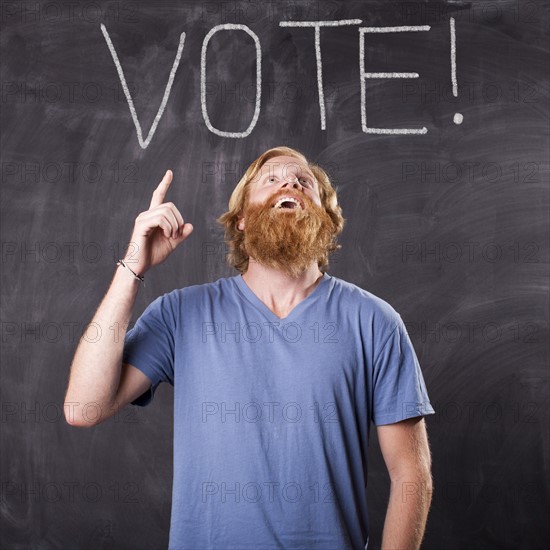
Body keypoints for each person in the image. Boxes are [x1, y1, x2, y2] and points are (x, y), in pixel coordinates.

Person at [64, 146, 435, 550]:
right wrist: (132, 267)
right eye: (271, 179)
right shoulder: (179, 314)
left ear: (324, 219)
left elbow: (411, 474)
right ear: (241, 219)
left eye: (303, 182)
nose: (289, 183)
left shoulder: (375, 322)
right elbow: (84, 408)